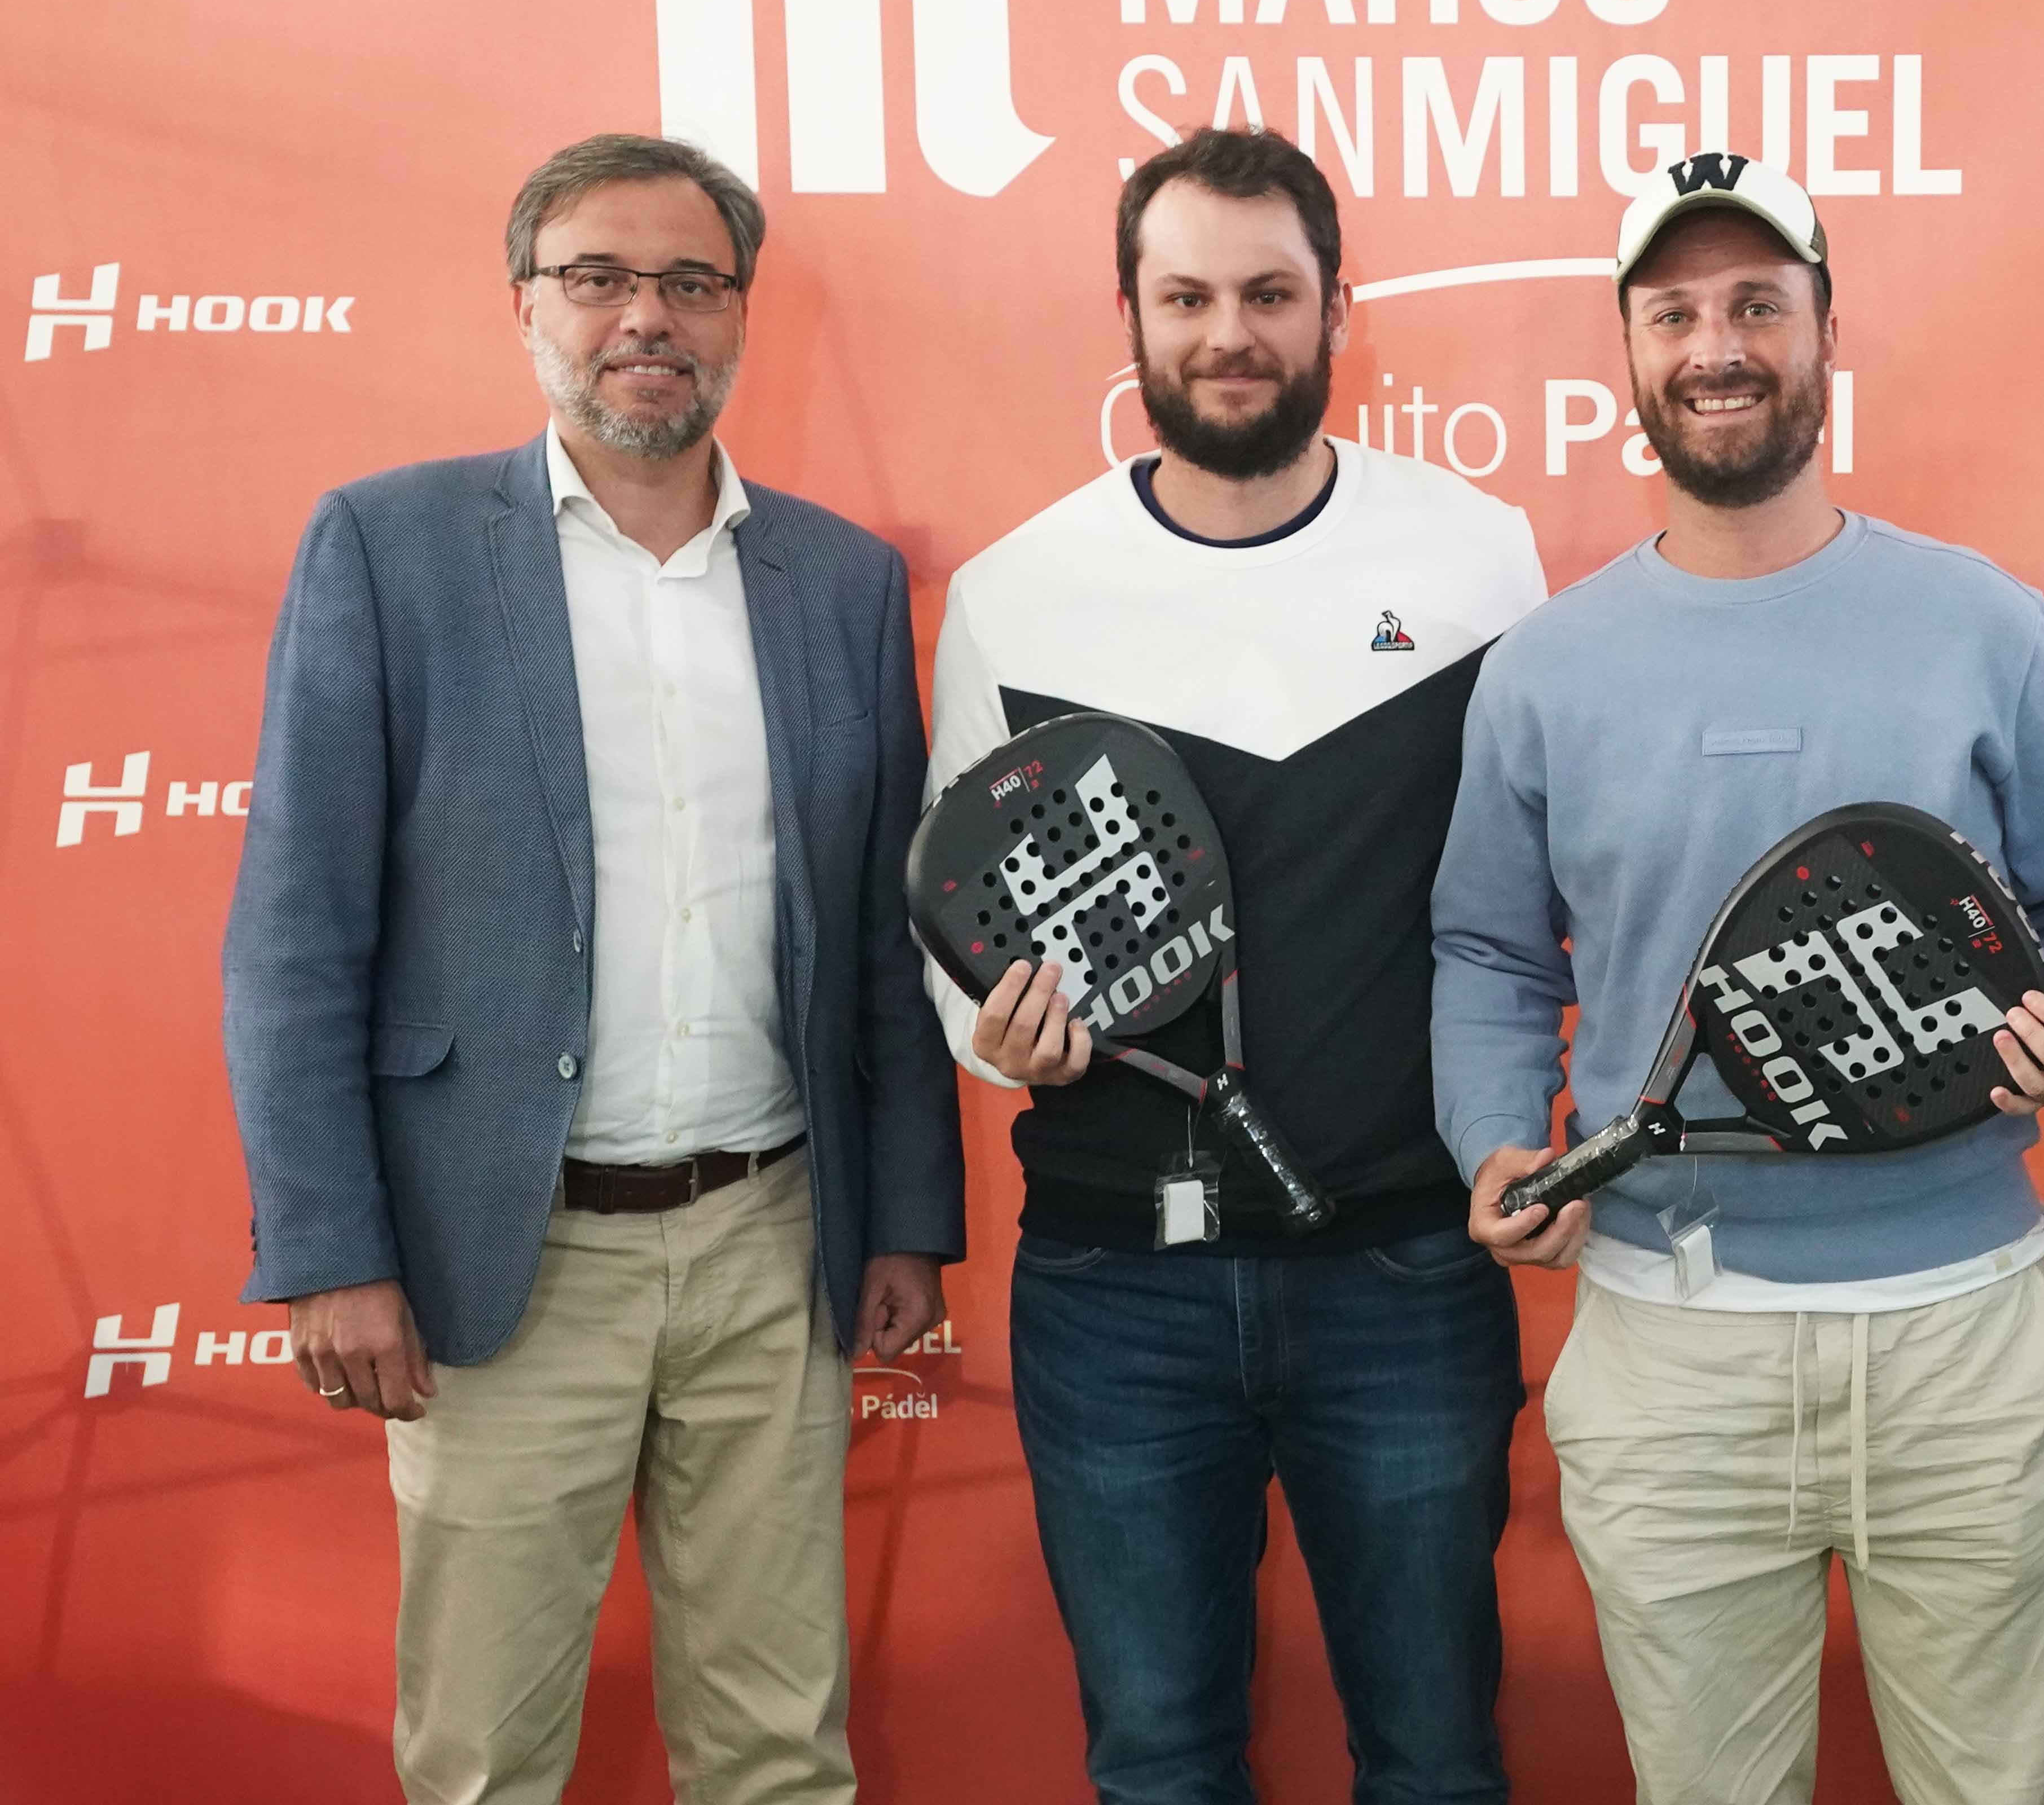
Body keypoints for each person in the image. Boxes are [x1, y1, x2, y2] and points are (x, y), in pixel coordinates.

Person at [222, 133, 964, 1805]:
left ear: (742, 315)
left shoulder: (842, 581)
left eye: (691, 283)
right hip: (502, 1261)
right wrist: (329, 1248)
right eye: (600, 278)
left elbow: (881, 936)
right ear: (526, 307)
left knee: (779, 1752)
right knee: (487, 1761)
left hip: (774, 1243)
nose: (647, 317)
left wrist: (908, 1213)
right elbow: (293, 938)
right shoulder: (391, 549)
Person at [1432, 153, 2044, 1805]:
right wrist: (1494, 1132)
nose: (1717, 347)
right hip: (1665, 1346)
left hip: (1963, 1340)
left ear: (1828, 333)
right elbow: (1489, 949)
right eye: (1675, 313)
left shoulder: (1984, 623)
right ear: (1630, 352)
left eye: (1758, 306)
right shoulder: (1545, 669)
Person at [924, 126, 1547, 1803]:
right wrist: (999, 1038)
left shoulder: (1479, 557)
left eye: (1270, 294)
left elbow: (1525, 901)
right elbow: (953, 945)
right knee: (1160, 1765)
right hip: (1114, 1288)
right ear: (1129, 315)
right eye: (1187, 296)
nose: (1229, 334)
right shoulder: (1015, 591)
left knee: (1437, 1760)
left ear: (1338, 308)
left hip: (1405, 1273)